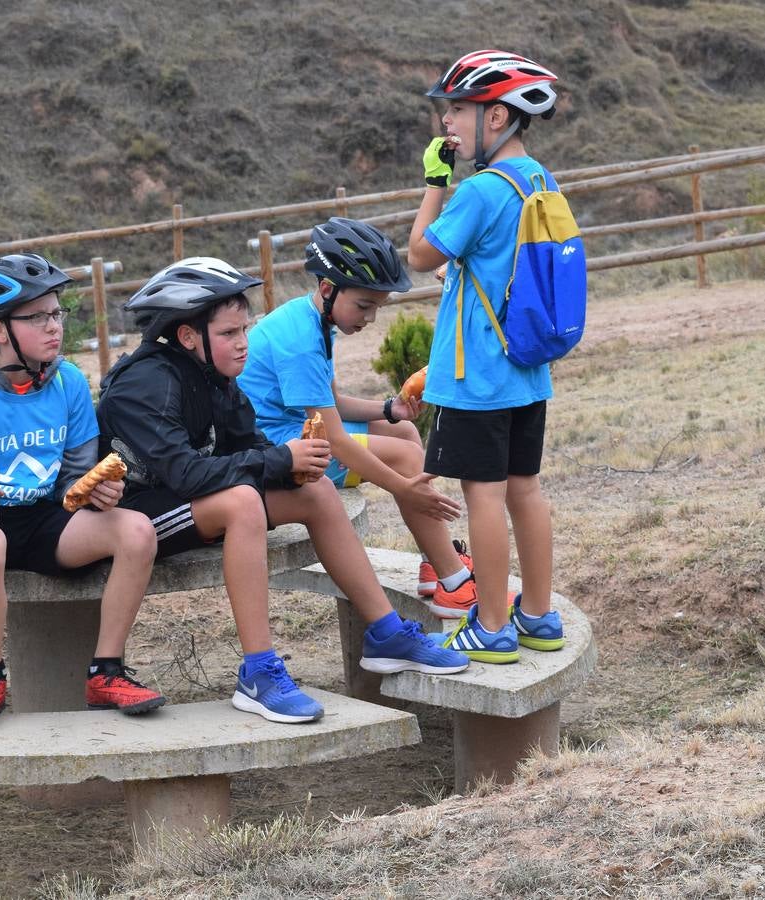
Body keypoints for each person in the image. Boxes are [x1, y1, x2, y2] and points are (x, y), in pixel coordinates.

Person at [96, 257, 468, 725]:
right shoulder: (144, 385)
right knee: (244, 501)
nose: (243, 343)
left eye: (244, 329)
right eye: (229, 333)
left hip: (192, 503)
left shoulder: (213, 376)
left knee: (316, 492)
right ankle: (258, 673)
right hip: (138, 517)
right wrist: (276, 460)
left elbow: (246, 442)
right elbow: (187, 475)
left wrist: (293, 467)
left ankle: (386, 633)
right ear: (189, 336)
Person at [0, 253, 165, 733]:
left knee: (135, 530)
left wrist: (95, 493)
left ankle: (105, 673)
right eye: (38, 317)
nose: (55, 326)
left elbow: (73, 477)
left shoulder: (67, 382)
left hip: (44, 521)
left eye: (56, 313)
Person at [405, 49, 569, 663]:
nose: (446, 122)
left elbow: (421, 255)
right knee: (525, 489)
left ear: (496, 117)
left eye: (458, 110)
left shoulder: (478, 191)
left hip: (478, 376)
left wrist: (433, 185)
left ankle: (493, 625)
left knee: (484, 498)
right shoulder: (539, 179)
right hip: (528, 369)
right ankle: (538, 615)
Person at [237, 217, 478, 621]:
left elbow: (331, 404)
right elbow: (333, 439)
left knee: (401, 429)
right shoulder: (299, 343)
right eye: (364, 305)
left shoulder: (314, 321)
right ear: (329, 289)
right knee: (405, 460)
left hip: (299, 431)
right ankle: (454, 586)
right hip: (278, 451)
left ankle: (432, 560)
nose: (369, 318)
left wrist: (390, 409)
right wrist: (407, 487)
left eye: (376, 308)